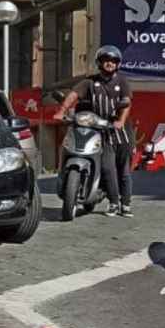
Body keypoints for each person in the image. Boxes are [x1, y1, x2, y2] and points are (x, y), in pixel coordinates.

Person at [54, 45, 134, 218]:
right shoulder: (89, 82)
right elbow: (73, 95)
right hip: (101, 133)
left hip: (121, 133)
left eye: (113, 61)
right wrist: (62, 111)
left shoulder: (122, 81)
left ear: (118, 64)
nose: (109, 64)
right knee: (107, 168)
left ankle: (126, 204)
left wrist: (120, 121)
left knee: (124, 171)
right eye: (106, 60)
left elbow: (127, 102)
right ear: (99, 62)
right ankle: (113, 203)